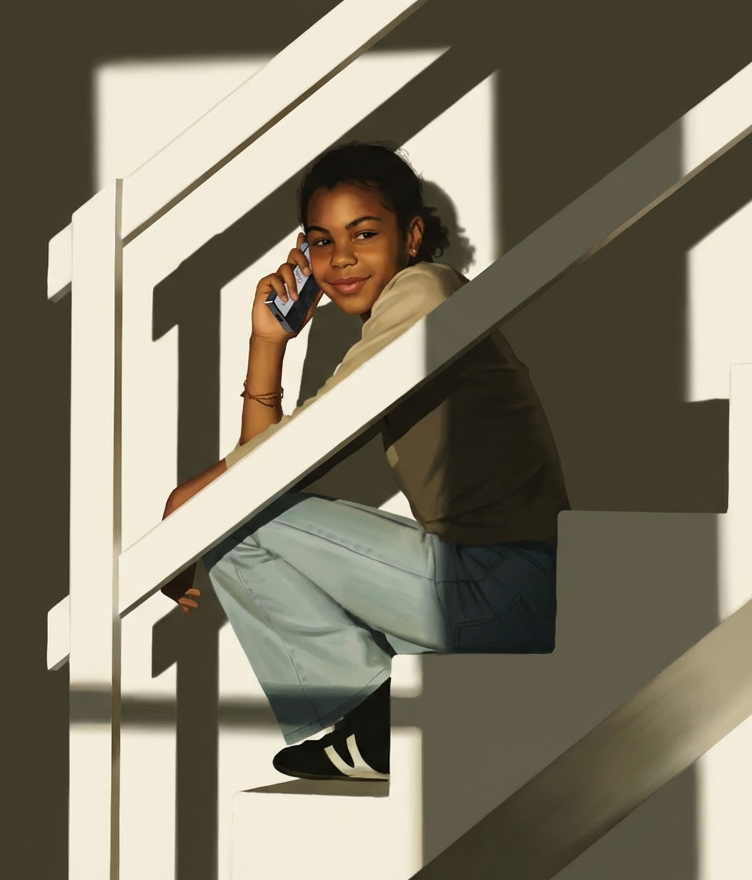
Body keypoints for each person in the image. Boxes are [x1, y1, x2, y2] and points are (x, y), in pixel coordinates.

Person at [160, 142, 570, 781]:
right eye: (321, 242)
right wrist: (267, 344)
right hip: (484, 592)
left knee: (233, 521)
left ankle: (375, 720)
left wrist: (187, 510)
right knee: (237, 521)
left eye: (364, 233)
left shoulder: (426, 291)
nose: (340, 258)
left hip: (504, 585)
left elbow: (303, 446)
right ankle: (375, 721)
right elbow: (267, 465)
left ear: (411, 236)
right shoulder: (408, 308)